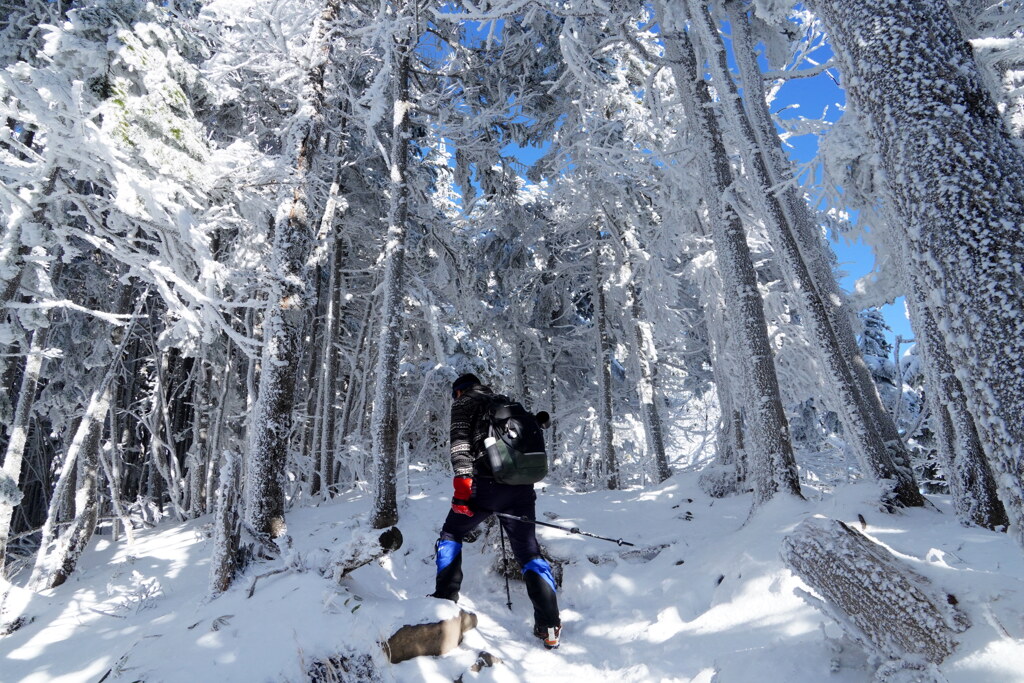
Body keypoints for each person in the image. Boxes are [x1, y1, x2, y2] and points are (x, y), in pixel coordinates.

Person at [432, 373, 562, 649]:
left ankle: (444, 601)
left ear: (459, 391)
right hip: (521, 487)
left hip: (485, 487)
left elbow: (460, 444)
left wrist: (463, 486)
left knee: (451, 533)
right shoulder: (503, 402)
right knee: (529, 553)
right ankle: (549, 625)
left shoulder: (463, 403)